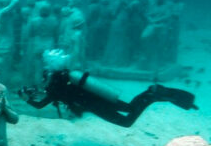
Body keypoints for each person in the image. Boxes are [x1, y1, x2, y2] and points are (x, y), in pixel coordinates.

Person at [19, 49, 195, 127]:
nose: (44, 79)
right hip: (99, 97)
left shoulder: (55, 87)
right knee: (128, 107)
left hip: (96, 105)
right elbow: (55, 93)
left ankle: (151, 95)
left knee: (126, 121)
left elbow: (41, 104)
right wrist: (38, 91)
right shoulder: (64, 78)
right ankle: (153, 93)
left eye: (45, 75)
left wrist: (26, 97)